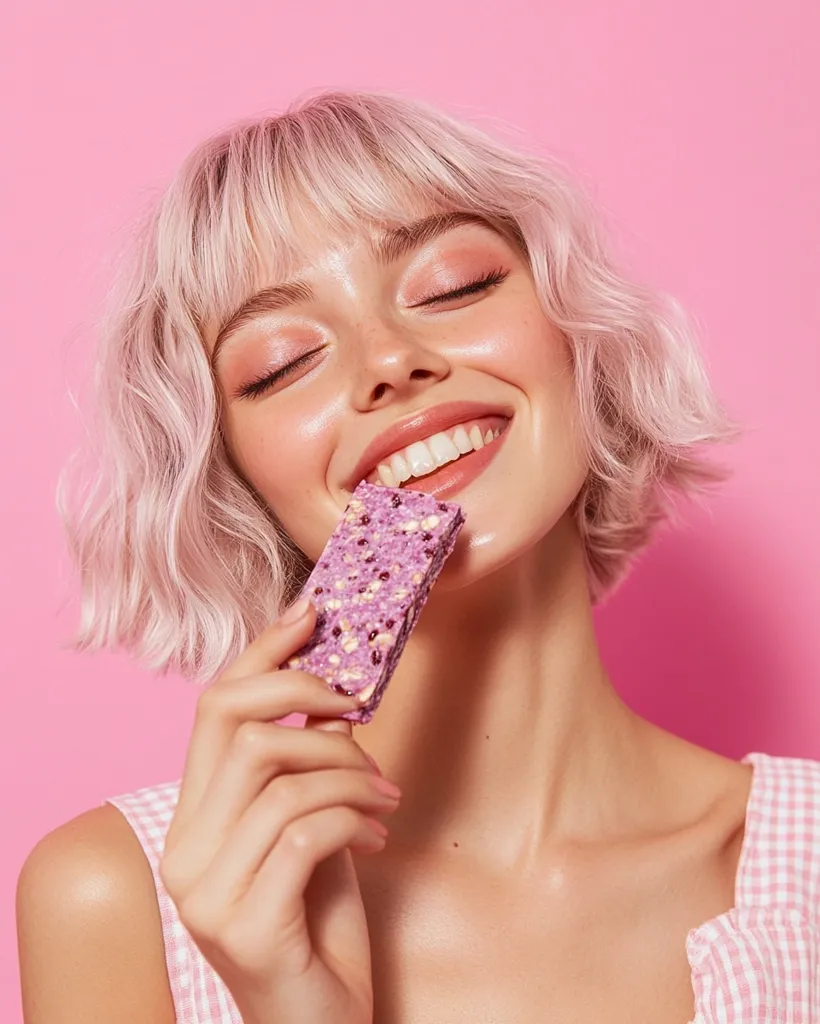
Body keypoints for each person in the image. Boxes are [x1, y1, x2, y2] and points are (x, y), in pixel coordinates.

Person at [16, 89, 820, 1024]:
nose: (390, 360)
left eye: (453, 286)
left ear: (578, 334)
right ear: (235, 481)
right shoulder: (114, 902)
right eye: (282, 362)